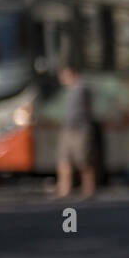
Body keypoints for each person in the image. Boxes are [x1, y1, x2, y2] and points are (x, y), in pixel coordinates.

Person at [54, 64, 95, 200]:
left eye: (63, 75)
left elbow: (84, 111)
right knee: (63, 159)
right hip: (67, 129)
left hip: (79, 130)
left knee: (82, 161)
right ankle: (64, 190)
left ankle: (88, 190)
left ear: (70, 74)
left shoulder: (82, 89)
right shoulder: (70, 90)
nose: (61, 79)